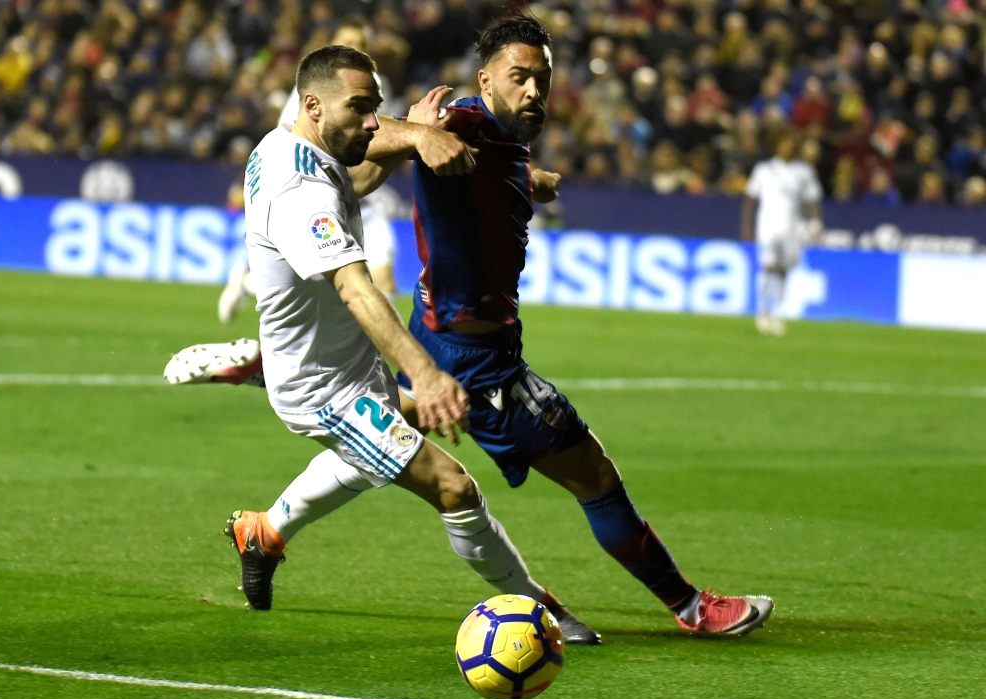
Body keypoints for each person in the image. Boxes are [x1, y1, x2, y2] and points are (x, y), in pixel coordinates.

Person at [168, 16, 773, 637]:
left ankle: (265, 522)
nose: (535, 90)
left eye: (543, 78)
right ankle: (679, 608)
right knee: (578, 479)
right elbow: (379, 188)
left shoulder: (453, 141)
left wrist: (518, 176)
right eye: (520, 78)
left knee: (376, 444)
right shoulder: (445, 125)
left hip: (405, 342)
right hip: (471, 361)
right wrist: (418, 135)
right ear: (487, 79)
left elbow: (366, 155)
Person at [220, 44, 599, 644]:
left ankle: (263, 531)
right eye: (361, 107)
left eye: (378, 107)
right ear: (313, 105)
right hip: (323, 387)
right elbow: (355, 289)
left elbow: (360, 177)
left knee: (374, 455)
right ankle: (536, 610)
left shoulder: (288, 144)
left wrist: (409, 137)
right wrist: (422, 371)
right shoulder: (300, 195)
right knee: (454, 486)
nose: (374, 122)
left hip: (343, 363)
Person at [217, 20, 399, 324]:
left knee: (384, 283)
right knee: (322, 289)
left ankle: (378, 358)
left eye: (361, 44)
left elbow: (378, 137)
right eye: (347, 42)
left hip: (362, 200)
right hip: (320, 195)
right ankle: (248, 282)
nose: (355, 49)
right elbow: (288, 138)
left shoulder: (379, 87)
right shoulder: (316, 89)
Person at [742, 131, 823, 336]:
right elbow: (751, 199)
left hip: (791, 227)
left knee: (784, 269)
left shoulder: (803, 171)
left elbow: (811, 199)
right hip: (767, 225)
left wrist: (815, 223)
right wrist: (747, 226)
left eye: (790, 143)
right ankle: (761, 311)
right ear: (776, 145)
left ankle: (777, 313)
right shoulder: (764, 169)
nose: (787, 147)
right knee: (767, 265)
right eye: (783, 143)